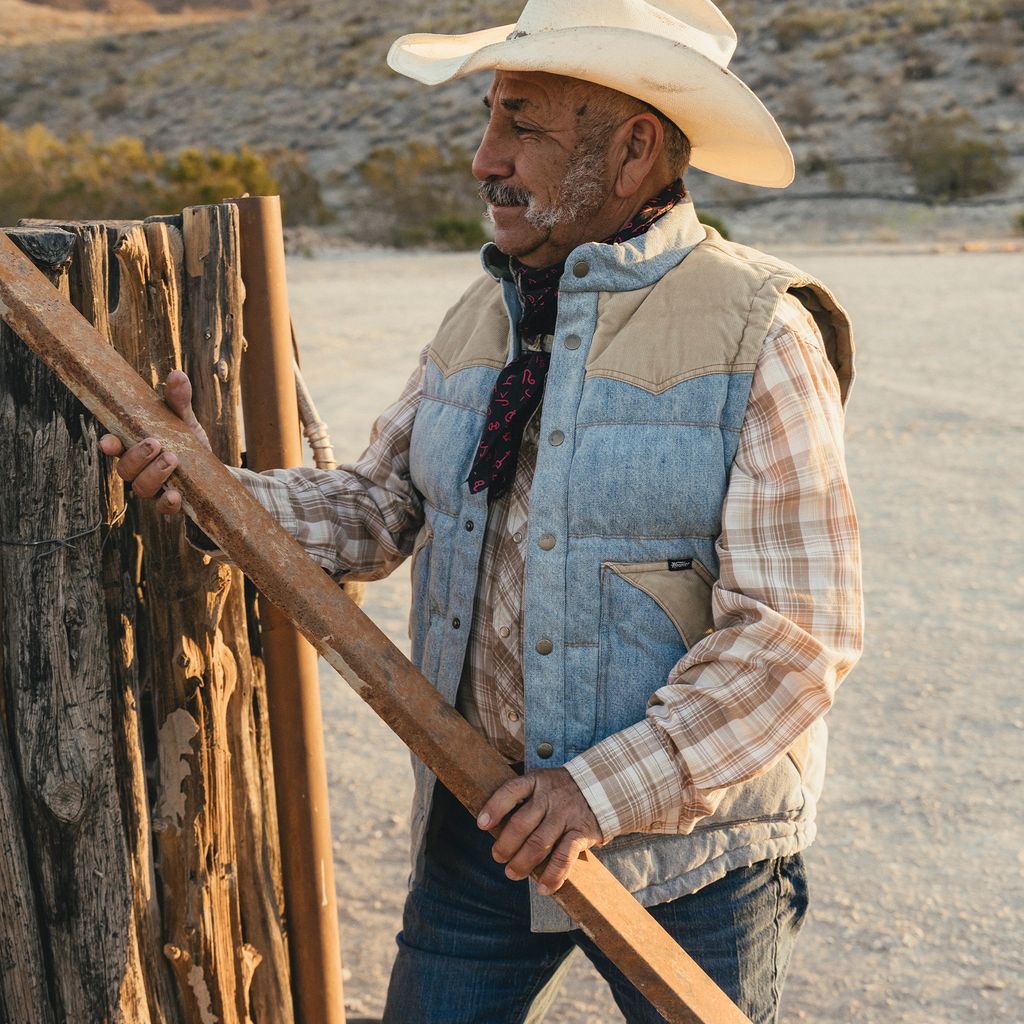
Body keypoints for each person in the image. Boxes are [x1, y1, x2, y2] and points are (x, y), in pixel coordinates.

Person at [100, 1, 863, 1020]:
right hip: (484, 819)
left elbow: (797, 634)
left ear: (635, 150)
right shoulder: (482, 315)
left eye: (522, 125)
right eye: (490, 121)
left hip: (696, 860)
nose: (482, 158)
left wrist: (595, 790)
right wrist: (213, 485)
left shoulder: (760, 330)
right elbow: (377, 508)